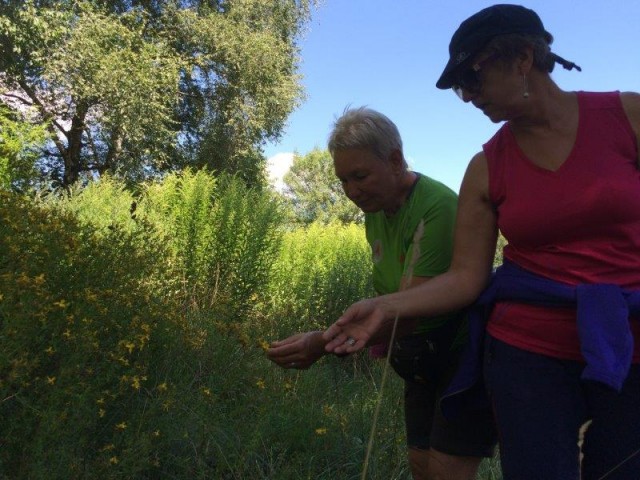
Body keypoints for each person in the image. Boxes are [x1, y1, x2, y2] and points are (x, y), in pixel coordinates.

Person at [324, 4, 640, 480]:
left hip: (632, 339)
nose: (468, 97)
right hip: (528, 356)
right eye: (459, 89)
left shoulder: (628, 117)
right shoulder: (486, 166)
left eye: (473, 79)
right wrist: (386, 307)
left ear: (522, 58)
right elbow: (466, 277)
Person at [267, 107, 496, 480]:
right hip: (418, 360)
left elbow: (410, 313)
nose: (351, 192)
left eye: (359, 176)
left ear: (394, 160)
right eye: (343, 180)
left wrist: (321, 344)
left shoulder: (436, 209)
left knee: (445, 471)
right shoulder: (376, 209)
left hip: (459, 355)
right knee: (420, 466)